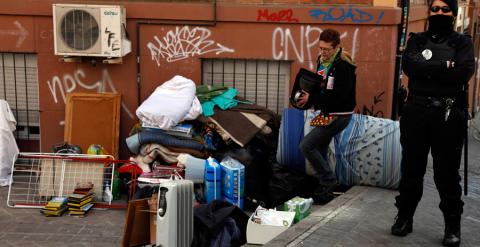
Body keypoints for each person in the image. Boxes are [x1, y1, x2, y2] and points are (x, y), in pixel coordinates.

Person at [391, 0, 474, 246]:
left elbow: (462, 72)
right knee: (411, 170)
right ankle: (404, 217)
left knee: (446, 175)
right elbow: (408, 66)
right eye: (435, 8)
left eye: (444, 9)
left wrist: (426, 67)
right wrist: (443, 66)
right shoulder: (416, 40)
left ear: (453, 14)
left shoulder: (463, 43)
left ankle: (452, 226)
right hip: (416, 112)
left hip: (447, 116)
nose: (439, 13)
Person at [297, 28, 356, 204]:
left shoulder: (343, 66)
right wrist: (308, 93)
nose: (323, 52)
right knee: (320, 148)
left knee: (306, 145)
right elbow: (321, 84)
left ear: (337, 47)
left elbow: (338, 95)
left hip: (339, 115)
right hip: (326, 112)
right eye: (321, 48)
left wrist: (313, 97)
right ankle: (325, 190)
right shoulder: (322, 60)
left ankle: (328, 180)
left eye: (327, 49)